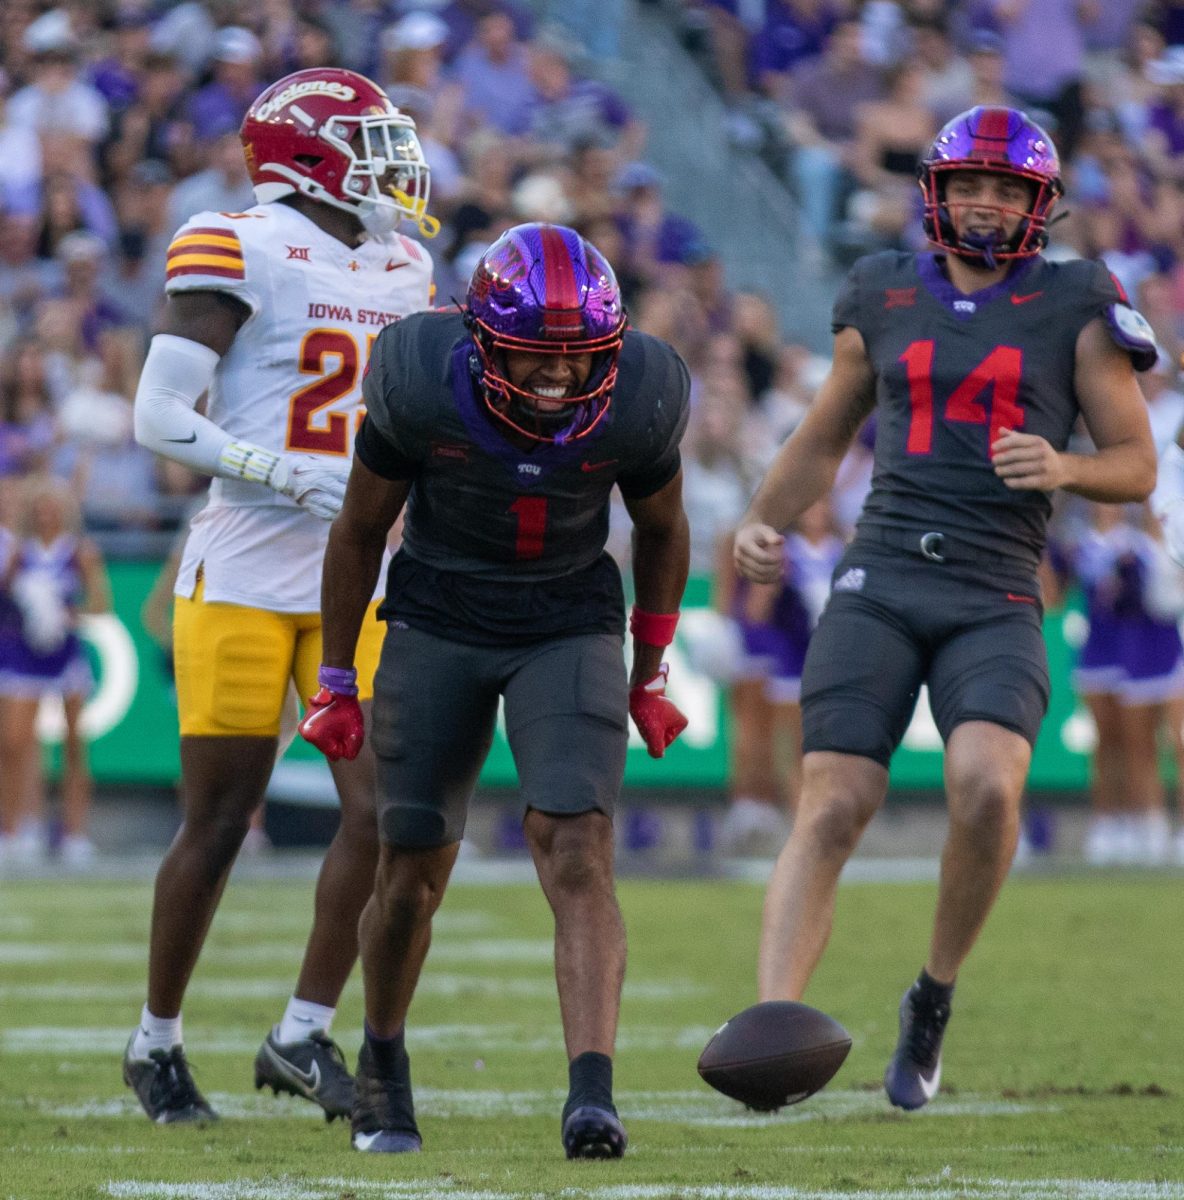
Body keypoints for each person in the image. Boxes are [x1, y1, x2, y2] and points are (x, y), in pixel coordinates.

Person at [734, 106, 1157, 1111]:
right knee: (830, 796)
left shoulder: (1076, 301)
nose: (984, 202)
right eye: (969, 183)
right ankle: (770, 1027)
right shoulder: (880, 289)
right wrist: (765, 519)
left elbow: (1136, 462)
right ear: (933, 190)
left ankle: (931, 994)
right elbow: (824, 433)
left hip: (995, 585)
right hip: (880, 573)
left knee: (983, 789)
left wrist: (1060, 464)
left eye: (1006, 189)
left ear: (1036, 205)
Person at [298, 222, 691, 1157]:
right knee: (409, 873)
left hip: (567, 617)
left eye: (576, 359)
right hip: (438, 612)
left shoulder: (642, 389)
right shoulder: (419, 375)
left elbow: (665, 531)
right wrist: (338, 676)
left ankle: (591, 1096)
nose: (557, 379)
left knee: (579, 848)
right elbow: (359, 529)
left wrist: (652, 669)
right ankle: (383, 1065)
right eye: (534, 357)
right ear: (482, 340)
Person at [122, 67, 436, 1125]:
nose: (392, 163)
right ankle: (154, 1040)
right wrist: (271, 470)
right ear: (307, 153)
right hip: (246, 567)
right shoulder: (235, 239)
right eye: (369, 141)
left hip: (362, 576)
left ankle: (302, 1032)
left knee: (383, 812)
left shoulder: (406, 262)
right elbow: (159, 417)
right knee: (215, 819)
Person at [0, 475, 111, 867]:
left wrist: (68, 615)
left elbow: (101, 603)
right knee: (13, 743)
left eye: (52, 506)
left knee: (74, 747)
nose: (45, 514)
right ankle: (11, 831)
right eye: (39, 507)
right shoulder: (18, 552)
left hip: (65, 656)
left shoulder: (80, 552)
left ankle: (74, 834)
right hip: (23, 656)